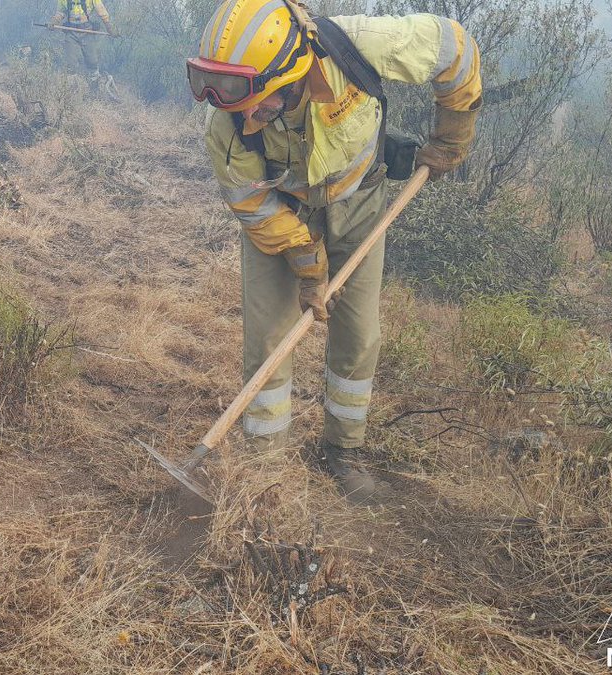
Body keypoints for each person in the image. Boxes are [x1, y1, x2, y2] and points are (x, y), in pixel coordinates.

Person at [188, 0, 481, 502]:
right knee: (267, 339)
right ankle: (264, 470)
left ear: (293, 72)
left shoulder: (352, 48)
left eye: (250, 99)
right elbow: (253, 206)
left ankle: (343, 452)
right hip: (282, 215)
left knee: (359, 332)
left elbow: (454, 49)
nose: (242, 116)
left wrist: (452, 135)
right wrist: (309, 269)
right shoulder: (228, 128)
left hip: (361, 201)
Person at [48, 0, 118, 94]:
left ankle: (94, 92)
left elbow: (101, 11)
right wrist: (54, 21)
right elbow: (61, 12)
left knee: (92, 61)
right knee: (70, 64)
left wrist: (109, 26)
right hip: (71, 31)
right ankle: (72, 94)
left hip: (87, 31)